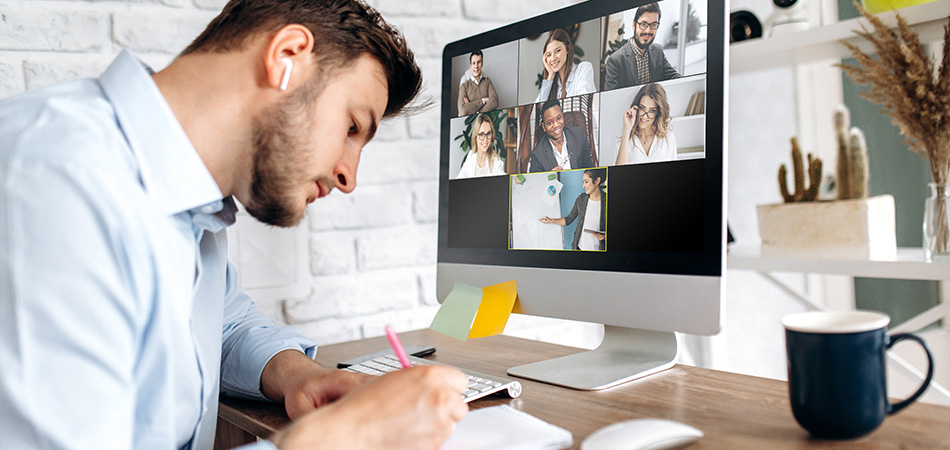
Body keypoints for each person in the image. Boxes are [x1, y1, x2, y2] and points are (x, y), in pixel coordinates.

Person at [0, 1, 469, 450]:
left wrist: (297, 375)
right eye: (351, 127)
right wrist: (340, 439)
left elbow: (219, 323)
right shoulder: (57, 181)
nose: (349, 176)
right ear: (287, 57)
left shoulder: (190, 203)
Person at [604, 2, 680, 91]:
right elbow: (611, 97)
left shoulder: (658, 51)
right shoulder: (615, 60)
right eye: (643, 24)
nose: (648, 31)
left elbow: (674, 77)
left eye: (653, 25)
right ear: (634, 25)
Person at [539, 168, 607, 251]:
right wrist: (550, 220)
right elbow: (568, 219)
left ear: (597, 181)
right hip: (579, 248)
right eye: (583, 182)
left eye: (586, 182)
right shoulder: (581, 199)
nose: (583, 186)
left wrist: (605, 236)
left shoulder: (608, 201)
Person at [616, 83, 678, 165]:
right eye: (642, 108)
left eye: (652, 111)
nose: (645, 116)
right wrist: (626, 130)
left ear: (658, 113)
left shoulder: (668, 138)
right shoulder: (624, 140)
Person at [529, 99, 594, 173]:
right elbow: (537, 183)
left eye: (559, 118)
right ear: (544, 127)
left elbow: (590, 168)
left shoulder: (579, 135)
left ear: (563, 117)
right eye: (550, 123)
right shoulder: (537, 155)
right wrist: (550, 177)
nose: (556, 125)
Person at [534, 29, 596, 103]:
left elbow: (583, 103)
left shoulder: (584, 68)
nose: (553, 58)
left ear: (568, 49)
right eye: (549, 55)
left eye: (558, 51)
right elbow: (537, 110)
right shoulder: (553, 83)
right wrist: (550, 76)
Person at [457, 114, 506, 178]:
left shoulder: (496, 162)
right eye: (481, 135)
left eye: (488, 133)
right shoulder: (471, 155)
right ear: (475, 137)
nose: (485, 139)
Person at [458, 50, 499, 117]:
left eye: (478, 62)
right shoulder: (464, 86)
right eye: (474, 63)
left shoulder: (487, 81)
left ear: (482, 64)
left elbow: (495, 101)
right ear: (470, 66)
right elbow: (462, 111)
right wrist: (483, 100)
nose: (476, 66)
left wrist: (477, 111)